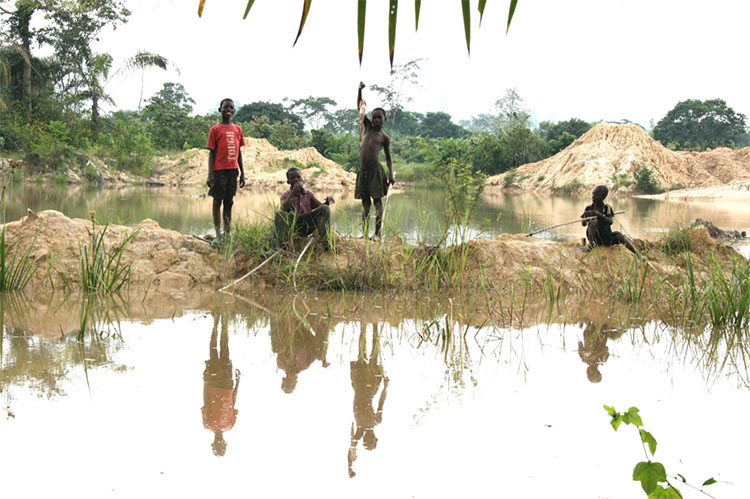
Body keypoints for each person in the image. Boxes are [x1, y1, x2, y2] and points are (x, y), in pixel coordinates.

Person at [347, 320, 388, 478]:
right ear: (365, 437)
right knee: (361, 353)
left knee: (374, 356)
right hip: (358, 385)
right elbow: (351, 447)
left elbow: (381, 401)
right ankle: (364, 327)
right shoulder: (359, 429)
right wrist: (349, 467)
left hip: (370, 388)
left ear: (374, 437)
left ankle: (375, 325)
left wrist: (385, 386)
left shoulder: (375, 422)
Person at [356, 82, 394, 239]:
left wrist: (391, 175)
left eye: (380, 118)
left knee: (377, 203)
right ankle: (364, 234)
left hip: (376, 173)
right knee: (365, 204)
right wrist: (359, 91)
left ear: (385, 119)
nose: (377, 120)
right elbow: (359, 108)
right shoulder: (368, 128)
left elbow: (388, 158)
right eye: (375, 118)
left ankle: (377, 234)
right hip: (363, 172)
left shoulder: (384, 138)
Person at [206, 98, 246, 247]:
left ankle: (227, 234)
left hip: (232, 171)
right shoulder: (215, 129)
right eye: (225, 107)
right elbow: (211, 153)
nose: (228, 110)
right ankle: (217, 235)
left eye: (231, 108)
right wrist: (210, 174)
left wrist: (243, 173)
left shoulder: (237, 129)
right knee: (217, 202)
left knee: (229, 202)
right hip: (218, 171)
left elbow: (239, 152)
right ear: (220, 110)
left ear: (234, 111)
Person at [201, 311, 240, 457]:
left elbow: (206, 402)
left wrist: (205, 381)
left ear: (213, 443)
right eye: (221, 445)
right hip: (226, 382)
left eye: (217, 445)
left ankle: (216, 323)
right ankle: (223, 323)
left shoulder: (208, 425)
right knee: (224, 350)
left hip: (215, 382)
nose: (219, 442)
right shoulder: (230, 425)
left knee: (214, 350)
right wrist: (238, 382)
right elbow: (232, 402)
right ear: (224, 443)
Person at [270, 167, 335, 252]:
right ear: (288, 182)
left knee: (325, 209)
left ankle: (326, 244)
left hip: (308, 223)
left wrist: (327, 201)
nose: (296, 179)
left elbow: (320, 208)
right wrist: (293, 192)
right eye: (292, 178)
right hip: (294, 224)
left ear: (302, 179)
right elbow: (283, 209)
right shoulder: (285, 195)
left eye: (298, 177)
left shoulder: (308, 194)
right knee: (279, 213)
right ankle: (277, 248)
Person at [581, 185, 640, 256]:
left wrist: (599, 215)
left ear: (603, 197)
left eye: (597, 195)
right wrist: (585, 218)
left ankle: (637, 254)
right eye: (593, 194)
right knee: (593, 222)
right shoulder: (589, 208)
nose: (594, 196)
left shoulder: (607, 208)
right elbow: (583, 224)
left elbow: (610, 221)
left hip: (606, 238)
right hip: (595, 238)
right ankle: (591, 244)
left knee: (619, 235)